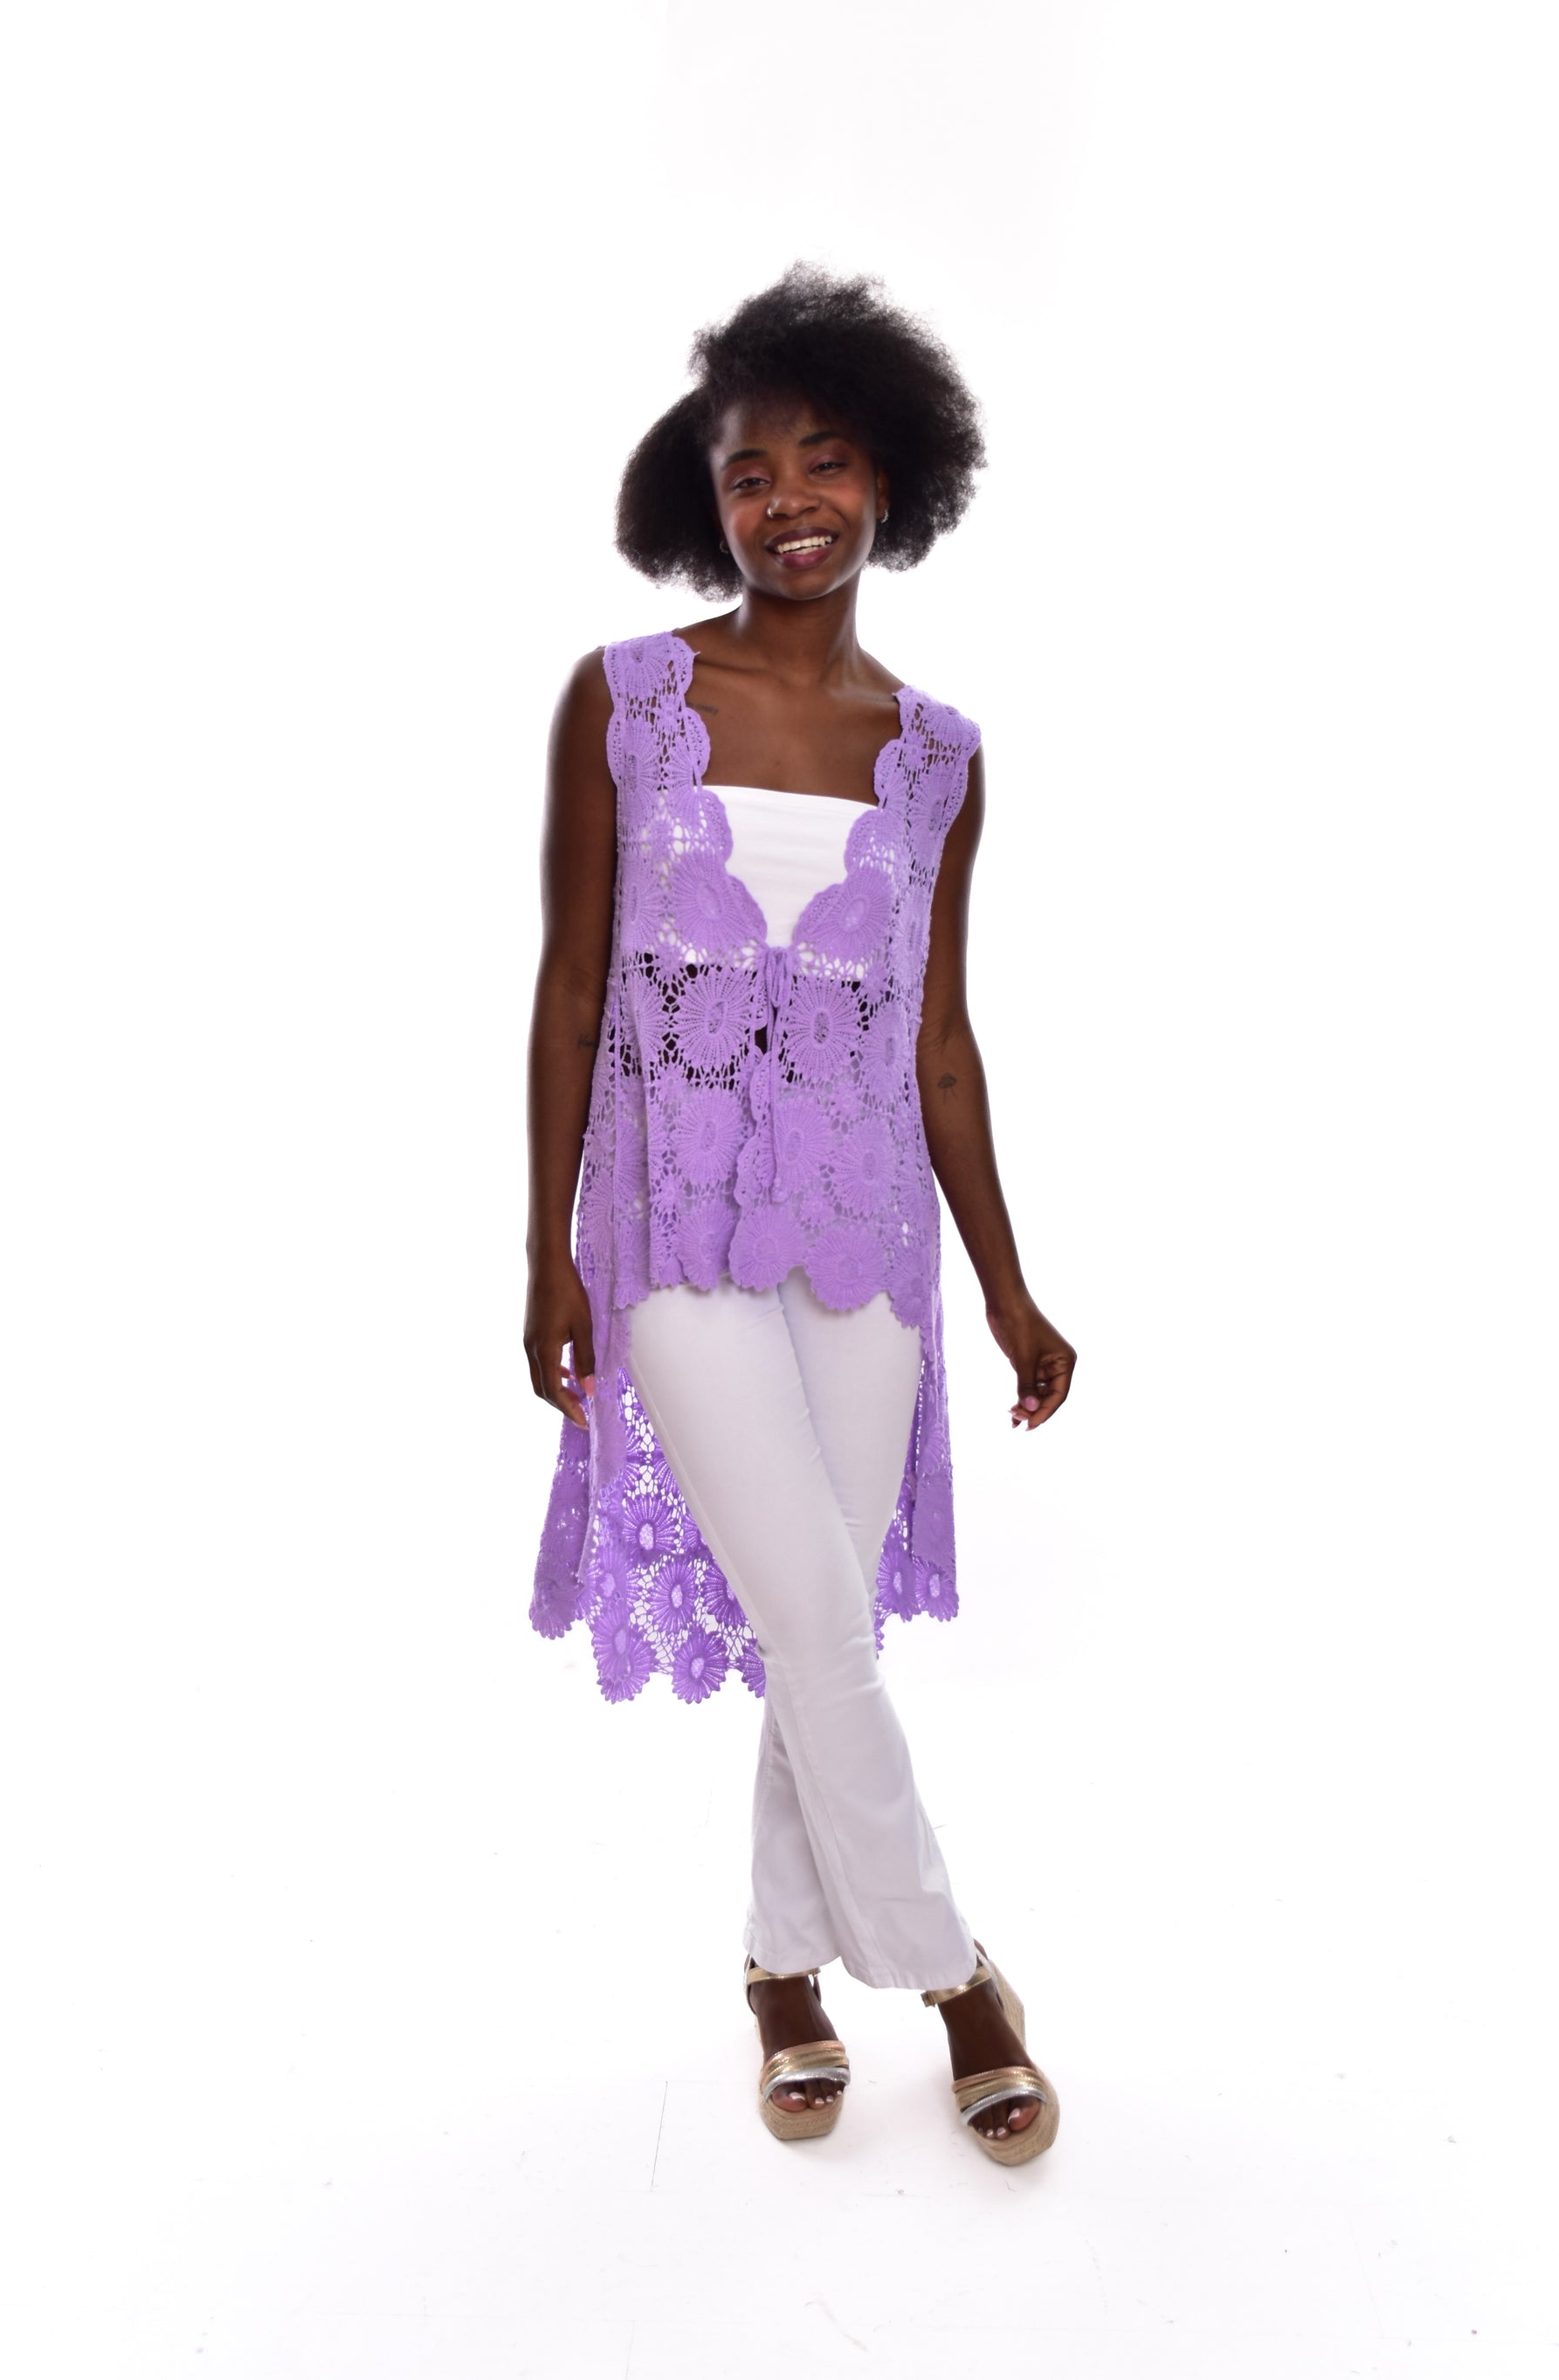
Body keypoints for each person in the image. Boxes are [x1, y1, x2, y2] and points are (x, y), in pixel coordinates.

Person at [523, 265, 1077, 2164]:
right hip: (668, 1220)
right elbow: (571, 988)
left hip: (864, 1231)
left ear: (888, 482)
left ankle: (778, 1966)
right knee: (818, 1619)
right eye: (749, 474)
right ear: (710, 503)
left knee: (818, 1616)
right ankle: (956, 1974)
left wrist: (1005, 1287)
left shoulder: (938, 755)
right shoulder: (625, 699)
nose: (789, 503)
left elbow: (939, 1038)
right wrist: (543, 1248)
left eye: (824, 463)